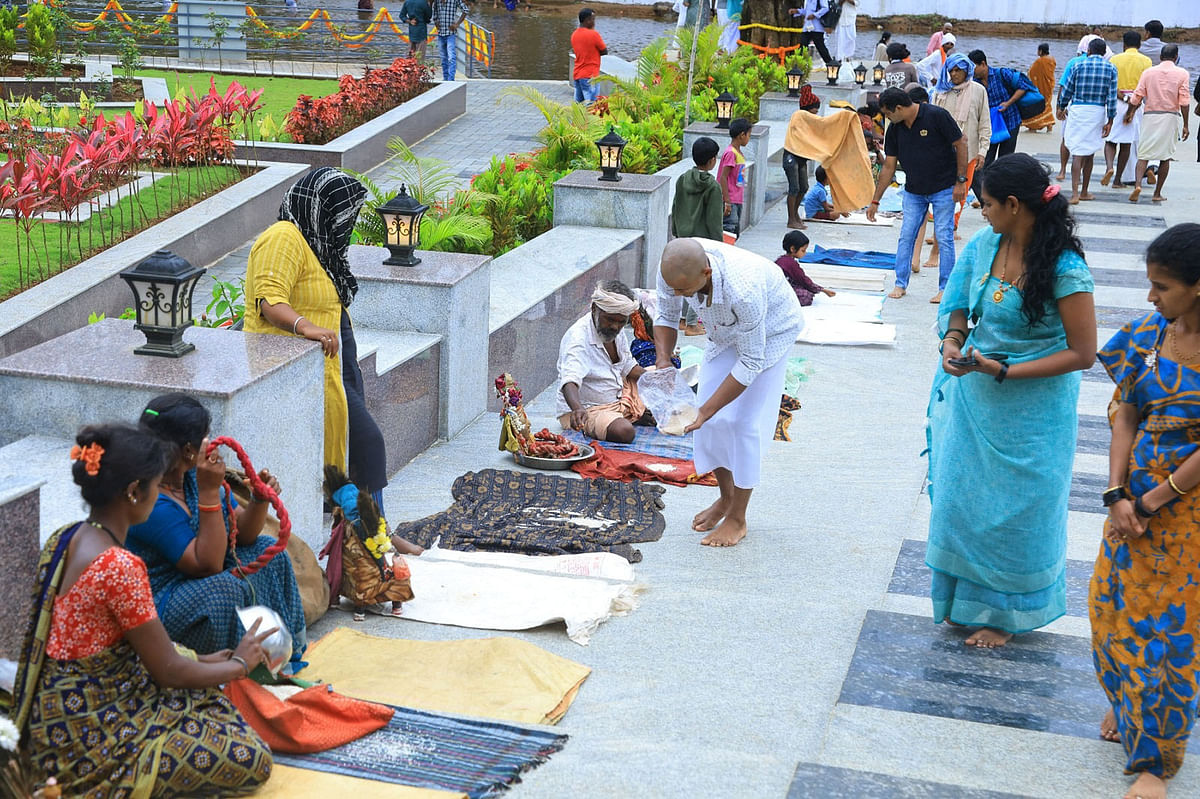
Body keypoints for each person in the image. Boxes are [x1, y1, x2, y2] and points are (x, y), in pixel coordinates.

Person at [12, 424, 275, 796]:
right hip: (93, 736)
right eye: (158, 486)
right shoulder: (118, 566)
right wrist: (240, 665)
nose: (161, 494)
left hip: (52, 722)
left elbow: (131, 651)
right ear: (134, 492)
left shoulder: (66, 537)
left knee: (211, 700)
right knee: (252, 756)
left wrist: (203, 661)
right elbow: (167, 670)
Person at [929, 153, 1096, 649]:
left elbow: (1083, 352)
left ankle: (1003, 617)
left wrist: (1005, 369)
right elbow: (957, 304)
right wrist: (953, 342)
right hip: (976, 402)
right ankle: (966, 605)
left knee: (1018, 513)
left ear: (1014, 204)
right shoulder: (986, 245)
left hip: (1034, 416)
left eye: (986, 203)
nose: (981, 211)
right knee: (966, 503)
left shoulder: (1066, 268)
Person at [1092, 223, 1200, 799]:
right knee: (1111, 615)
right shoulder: (1148, 333)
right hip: (1131, 500)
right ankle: (1129, 708)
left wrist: (1157, 499)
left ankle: (1154, 763)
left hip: (1186, 513)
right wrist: (1116, 494)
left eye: (1162, 286)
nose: (1151, 297)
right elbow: (1125, 412)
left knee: (1169, 631)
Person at [244, 167, 390, 510]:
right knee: (369, 444)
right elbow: (269, 299)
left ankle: (366, 535)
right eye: (340, 212)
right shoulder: (284, 237)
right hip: (304, 374)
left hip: (334, 371)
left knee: (355, 453)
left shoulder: (317, 246)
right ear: (319, 207)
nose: (346, 223)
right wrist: (304, 326)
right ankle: (375, 533)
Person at [130, 393, 308, 664]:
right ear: (189, 450)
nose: (211, 442)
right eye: (206, 437)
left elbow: (243, 536)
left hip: (197, 577)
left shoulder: (187, 475)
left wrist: (259, 499)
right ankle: (232, 669)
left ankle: (284, 654)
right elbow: (207, 565)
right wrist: (209, 490)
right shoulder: (150, 499)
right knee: (225, 590)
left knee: (268, 552)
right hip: (160, 603)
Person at [652, 238, 805, 547]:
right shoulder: (673, 270)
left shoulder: (743, 290)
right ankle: (726, 498)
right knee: (711, 422)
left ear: (706, 273)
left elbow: (751, 360)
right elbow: (666, 316)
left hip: (773, 330)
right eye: (675, 290)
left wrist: (705, 410)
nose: (679, 296)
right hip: (725, 330)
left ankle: (738, 518)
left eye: (684, 291)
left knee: (741, 424)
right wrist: (664, 361)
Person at [866, 87, 968, 302]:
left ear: (900, 108)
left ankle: (945, 288)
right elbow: (889, 167)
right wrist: (875, 200)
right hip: (914, 191)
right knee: (906, 235)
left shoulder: (936, 116)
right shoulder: (895, 128)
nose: (887, 118)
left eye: (888, 113)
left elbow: (961, 144)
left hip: (943, 187)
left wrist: (961, 181)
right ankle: (900, 283)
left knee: (944, 235)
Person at [557, 281, 649, 443]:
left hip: (619, 394)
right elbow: (570, 380)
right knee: (624, 431)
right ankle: (629, 415)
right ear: (594, 308)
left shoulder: (615, 330)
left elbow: (627, 365)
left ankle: (630, 412)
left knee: (658, 377)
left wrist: (654, 380)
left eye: (621, 322)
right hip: (588, 409)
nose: (615, 326)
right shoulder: (578, 339)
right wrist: (577, 408)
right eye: (609, 320)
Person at [923, 52, 990, 271]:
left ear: (967, 71)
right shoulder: (940, 92)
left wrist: (983, 151)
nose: (954, 75)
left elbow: (983, 123)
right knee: (941, 200)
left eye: (958, 70)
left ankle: (940, 247)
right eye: (951, 70)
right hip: (941, 154)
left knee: (957, 200)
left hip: (968, 153)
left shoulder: (978, 91)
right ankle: (940, 243)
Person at [1126, 44, 1190, 203]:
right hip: (1170, 117)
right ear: (1176, 57)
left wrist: (1130, 112)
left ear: (1161, 57)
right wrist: (1186, 125)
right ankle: (1157, 193)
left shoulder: (1148, 72)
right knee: (1165, 157)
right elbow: (1185, 102)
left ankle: (1138, 185)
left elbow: (1137, 96)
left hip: (1150, 116)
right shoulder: (1182, 73)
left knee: (1143, 154)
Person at [672, 136, 723, 336]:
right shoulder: (712, 186)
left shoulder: (683, 179)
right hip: (703, 242)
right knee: (699, 283)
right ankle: (692, 324)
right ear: (712, 160)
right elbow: (714, 219)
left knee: (685, 280)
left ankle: (683, 320)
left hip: (683, 238)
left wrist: (677, 233)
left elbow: (675, 207)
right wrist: (719, 245)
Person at [1057, 37, 1118, 204]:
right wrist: (1110, 120)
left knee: (1077, 152)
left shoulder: (1077, 65)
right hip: (1097, 112)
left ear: (1088, 51)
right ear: (1104, 52)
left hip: (1078, 110)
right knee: (1089, 152)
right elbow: (1111, 97)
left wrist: (1061, 107)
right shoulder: (1111, 68)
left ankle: (1075, 193)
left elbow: (1067, 90)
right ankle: (1084, 191)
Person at [968, 49, 1027, 203]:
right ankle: (987, 195)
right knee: (986, 161)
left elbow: (1023, 86)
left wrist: (1008, 103)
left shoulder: (1002, 74)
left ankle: (1004, 194)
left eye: (974, 67)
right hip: (990, 125)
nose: (972, 71)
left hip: (1010, 121)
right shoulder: (974, 83)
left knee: (1005, 160)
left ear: (983, 64)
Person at [1102, 31, 1152, 189]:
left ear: (1124, 44)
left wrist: (1123, 98)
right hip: (1135, 103)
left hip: (1117, 101)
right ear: (1139, 44)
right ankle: (1117, 180)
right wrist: (1133, 106)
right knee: (1127, 143)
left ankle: (1109, 166)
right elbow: (1144, 88)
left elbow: (1110, 85)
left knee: (1111, 140)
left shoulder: (1114, 59)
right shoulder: (1146, 61)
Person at [783, 84, 822, 230]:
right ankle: (791, 219)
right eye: (814, 109)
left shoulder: (808, 120)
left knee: (803, 187)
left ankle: (795, 214)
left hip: (801, 159)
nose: (816, 113)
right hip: (791, 157)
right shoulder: (798, 117)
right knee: (794, 188)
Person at [1054, 41, 1090, 180]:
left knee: (1066, 138)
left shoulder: (1074, 62)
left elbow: (1063, 86)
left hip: (1072, 105)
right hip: (1091, 108)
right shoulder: (1103, 63)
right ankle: (1078, 174)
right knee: (1085, 142)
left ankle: (1062, 171)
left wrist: (1059, 107)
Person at [776, 230, 835, 306]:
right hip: (780, 291)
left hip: (779, 287)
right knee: (806, 296)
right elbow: (803, 280)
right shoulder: (791, 263)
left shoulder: (782, 259)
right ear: (793, 249)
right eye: (803, 250)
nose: (805, 253)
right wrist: (823, 290)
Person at [718, 117, 750, 235]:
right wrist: (727, 201)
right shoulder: (731, 153)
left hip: (737, 199)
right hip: (730, 199)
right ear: (742, 135)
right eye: (748, 135)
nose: (748, 138)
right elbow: (723, 177)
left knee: (735, 231)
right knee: (729, 230)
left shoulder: (738, 152)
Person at [571, 8, 607, 105]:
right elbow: (604, 51)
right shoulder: (593, 34)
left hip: (578, 74)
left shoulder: (574, 34)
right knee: (592, 106)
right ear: (587, 20)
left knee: (578, 106)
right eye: (593, 19)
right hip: (590, 76)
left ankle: (576, 120)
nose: (594, 22)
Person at [787, 0, 834, 67]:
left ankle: (831, 65)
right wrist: (798, 11)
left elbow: (825, 8)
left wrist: (815, 15)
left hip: (817, 27)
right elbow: (807, 11)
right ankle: (797, 66)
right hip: (807, 27)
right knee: (802, 46)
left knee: (821, 47)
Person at [1023, 44, 1058, 132]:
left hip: (1041, 87)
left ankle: (1034, 125)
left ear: (1041, 51)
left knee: (1037, 104)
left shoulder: (1040, 61)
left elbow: (1031, 73)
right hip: (1049, 86)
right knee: (1047, 104)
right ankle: (1049, 124)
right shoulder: (1052, 60)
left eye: (1038, 50)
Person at [433, 0, 467, 81]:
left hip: (450, 33)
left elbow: (465, 10)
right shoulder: (437, 1)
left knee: (451, 57)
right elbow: (434, 12)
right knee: (443, 58)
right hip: (441, 33)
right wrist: (436, 22)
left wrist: (457, 24)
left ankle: (451, 79)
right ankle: (445, 79)